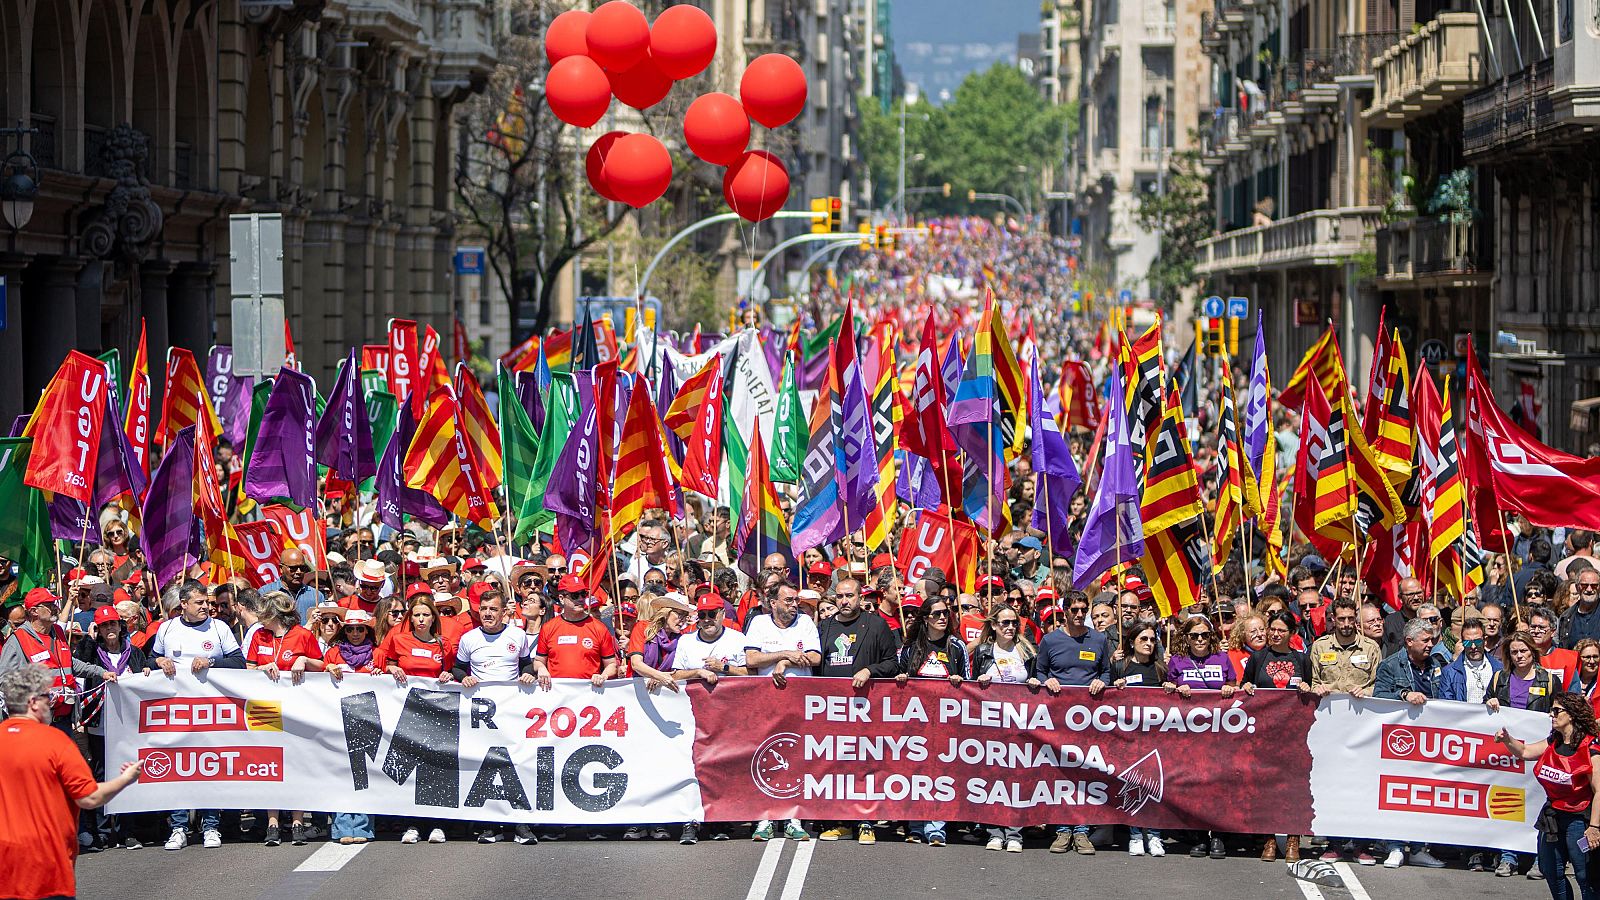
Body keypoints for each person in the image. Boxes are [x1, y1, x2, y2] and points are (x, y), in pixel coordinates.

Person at [0, 665, 144, 900]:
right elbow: (90, 797)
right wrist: (125, 779)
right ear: (33, 702)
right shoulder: (54, 741)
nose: (53, 701)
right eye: (48, 695)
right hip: (45, 865)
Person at [816, 576, 901, 845]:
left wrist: (869, 670)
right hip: (832, 711)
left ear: (860, 598)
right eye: (839, 597)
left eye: (849, 596)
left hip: (866, 709)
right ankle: (842, 821)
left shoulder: (876, 625)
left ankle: (866, 821)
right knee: (837, 766)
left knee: (865, 766)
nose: (844, 601)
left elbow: (892, 664)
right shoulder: (825, 627)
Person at [451, 588, 538, 845]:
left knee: (517, 764)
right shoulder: (469, 639)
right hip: (481, 713)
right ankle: (491, 826)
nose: (488, 614)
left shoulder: (517, 635)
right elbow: (457, 667)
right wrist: (462, 677)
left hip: (511, 711)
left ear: (503, 612)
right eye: (484, 609)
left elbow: (526, 663)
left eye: (493, 609)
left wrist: (528, 674)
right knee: (486, 766)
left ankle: (521, 825)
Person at [1496, 692, 1600, 900]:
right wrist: (1507, 740)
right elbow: (1525, 751)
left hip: (1580, 819)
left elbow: (1599, 790)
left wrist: (1595, 827)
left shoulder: (1590, 747)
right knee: (1550, 870)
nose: (1551, 715)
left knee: (1585, 875)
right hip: (1553, 816)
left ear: (1571, 714)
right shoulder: (1554, 740)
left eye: (1556, 711)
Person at [1031, 590, 1109, 855]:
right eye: (1074, 610)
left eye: (1082, 609)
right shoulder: (1051, 640)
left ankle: (1082, 831)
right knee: (1061, 773)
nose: (1079, 614)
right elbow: (1039, 670)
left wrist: (1103, 681)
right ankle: (1062, 830)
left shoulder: (1098, 639)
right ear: (1065, 612)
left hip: (1089, 719)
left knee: (1085, 774)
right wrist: (1046, 680)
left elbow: (1106, 671)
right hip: (1058, 718)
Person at [374, 594, 455, 845]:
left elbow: (451, 670)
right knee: (411, 768)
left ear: (433, 618)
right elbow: (381, 660)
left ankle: (437, 823)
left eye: (425, 615)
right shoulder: (399, 639)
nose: (421, 619)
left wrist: (447, 675)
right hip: (407, 712)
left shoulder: (445, 644)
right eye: (416, 615)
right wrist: (390, 668)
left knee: (435, 768)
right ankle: (412, 823)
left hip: (436, 713)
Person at [743, 583, 820, 843]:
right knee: (765, 757)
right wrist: (786, 653)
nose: (793, 604)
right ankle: (764, 819)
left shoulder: (806, 622)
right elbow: (751, 660)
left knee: (795, 758)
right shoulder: (759, 623)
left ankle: (792, 818)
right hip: (766, 701)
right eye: (787, 600)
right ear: (772, 602)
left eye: (795, 600)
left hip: (799, 701)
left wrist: (785, 662)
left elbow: (815, 657)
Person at [246, 592, 325, 846]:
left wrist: (303, 659)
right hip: (265, 710)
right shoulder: (259, 636)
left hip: (296, 708)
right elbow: (247, 668)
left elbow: (321, 665)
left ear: (274, 614)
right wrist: (261, 668)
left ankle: (298, 822)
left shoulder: (302, 635)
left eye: (262, 613)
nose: (258, 618)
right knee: (271, 766)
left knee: (296, 763)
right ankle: (272, 823)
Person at [892, 593, 969, 847]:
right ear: (925, 618)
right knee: (916, 775)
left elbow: (969, 685)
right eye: (936, 614)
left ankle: (936, 827)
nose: (942, 618)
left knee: (941, 776)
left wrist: (960, 684)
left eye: (946, 613)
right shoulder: (910, 647)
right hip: (915, 724)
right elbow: (896, 682)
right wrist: (901, 680)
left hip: (947, 724)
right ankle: (915, 826)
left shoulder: (956, 646)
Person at [1373, 618, 1448, 868]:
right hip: (1400, 742)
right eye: (1425, 640)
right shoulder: (1390, 666)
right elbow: (1379, 697)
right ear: (1409, 641)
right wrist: (1404, 695)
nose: (1431, 645)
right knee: (1398, 794)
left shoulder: (1437, 664)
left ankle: (1417, 848)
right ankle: (1395, 847)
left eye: (1432, 640)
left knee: (1423, 795)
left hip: (1429, 742)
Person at [72, 604, 149, 852]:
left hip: (129, 726)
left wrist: (147, 671)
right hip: (100, 725)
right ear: (99, 630)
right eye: (104, 626)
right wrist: (88, 637)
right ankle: (103, 831)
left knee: (127, 776)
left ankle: (127, 830)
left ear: (120, 625)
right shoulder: (91, 654)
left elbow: (145, 677)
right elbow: (75, 665)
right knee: (102, 775)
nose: (109, 629)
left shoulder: (134, 652)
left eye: (113, 624)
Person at [1163, 615, 1235, 859]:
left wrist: (1229, 689)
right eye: (1195, 635)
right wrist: (1174, 691)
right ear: (1187, 638)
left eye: (1205, 634)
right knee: (1193, 787)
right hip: (1188, 738)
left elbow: (1235, 689)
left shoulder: (1222, 658)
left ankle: (1218, 836)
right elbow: (1165, 693)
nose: (1200, 639)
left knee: (1218, 786)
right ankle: (1198, 836)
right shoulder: (1177, 661)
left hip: (1219, 736)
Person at [0, 588, 114, 737]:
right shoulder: (17, 640)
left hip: (64, 720)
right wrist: (36, 692)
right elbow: (4, 680)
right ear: (34, 611)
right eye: (50, 605)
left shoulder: (57, 632)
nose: (55, 607)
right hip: (38, 723)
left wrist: (101, 672)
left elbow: (69, 663)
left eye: (55, 603)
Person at [970, 604, 1035, 853]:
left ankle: (1015, 833)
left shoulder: (1027, 650)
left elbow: (1037, 679)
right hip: (991, 726)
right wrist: (979, 682)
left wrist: (1034, 682)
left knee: (1017, 780)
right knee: (992, 779)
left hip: (1020, 726)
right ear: (994, 626)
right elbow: (971, 686)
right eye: (1004, 623)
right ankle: (994, 832)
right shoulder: (984, 651)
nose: (1010, 627)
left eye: (1013, 623)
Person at [1112, 621, 1166, 857]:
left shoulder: (1160, 669)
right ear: (1132, 642)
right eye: (1143, 639)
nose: (1149, 644)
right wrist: (1114, 688)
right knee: (1133, 785)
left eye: (1152, 640)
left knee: (1155, 786)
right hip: (1128, 738)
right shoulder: (1120, 667)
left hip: (1156, 739)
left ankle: (1154, 835)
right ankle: (1135, 835)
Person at [1308, 597, 1380, 700]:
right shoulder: (1320, 646)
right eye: (1341, 619)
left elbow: (1379, 686)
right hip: (1329, 707)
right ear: (1333, 618)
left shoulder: (1371, 648)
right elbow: (1314, 683)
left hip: (1360, 709)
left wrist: (1365, 692)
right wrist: (1318, 689)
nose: (1346, 624)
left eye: (1350, 618)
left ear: (1356, 617)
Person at [260, 548, 326, 619]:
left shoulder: (316, 596)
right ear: (281, 569)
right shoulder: (265, 593)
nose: (298, 572)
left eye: (302, 568)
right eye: (293, 568)